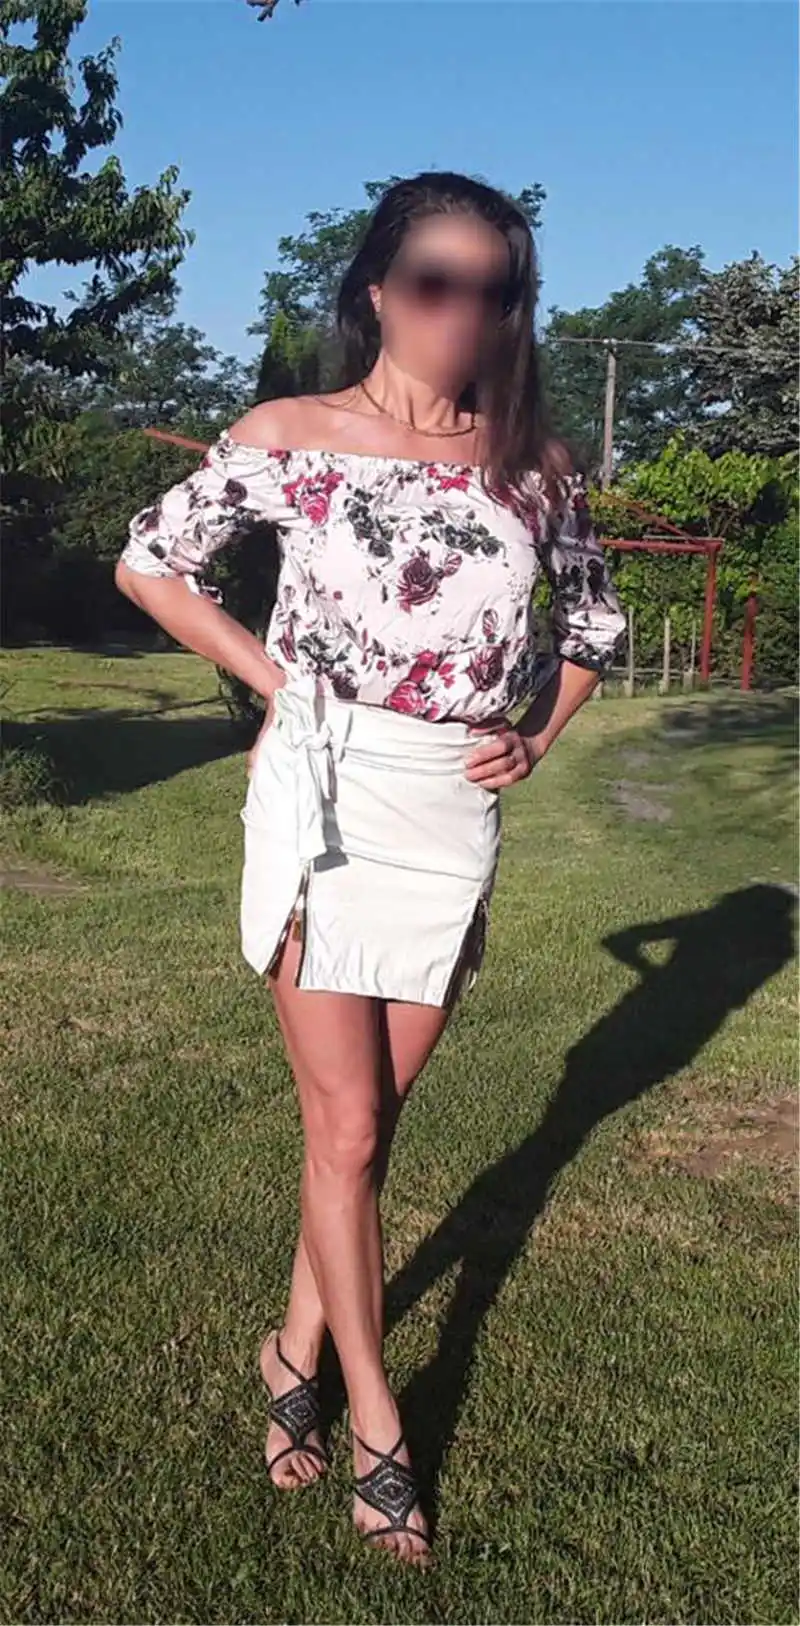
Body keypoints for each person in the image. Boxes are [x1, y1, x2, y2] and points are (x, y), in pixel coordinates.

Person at [114, 170, 626, 1568]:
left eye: (496, 290)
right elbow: (152, 563)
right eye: (437, 282)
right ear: (379, 290)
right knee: (343, 1130)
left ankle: (292, 1343)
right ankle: (378, 1420)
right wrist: (273, 681)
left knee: (370, 1124)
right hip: (324, 792)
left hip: (448, 810)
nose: (466, 313)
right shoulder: (293, 435)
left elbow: (592, 625)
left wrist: (537, 734)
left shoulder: (533, 464)